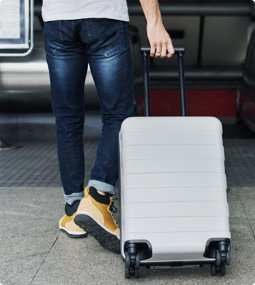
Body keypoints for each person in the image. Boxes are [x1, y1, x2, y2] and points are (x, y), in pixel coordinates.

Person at [42, 0, 174, 253]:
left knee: (67, 117)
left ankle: (73, 210)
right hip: (103, 17)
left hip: (58, 18)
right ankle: (98, 200)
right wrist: (155, 22)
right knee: (119, 114)